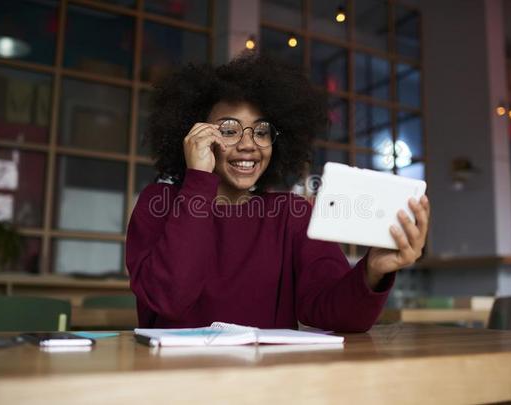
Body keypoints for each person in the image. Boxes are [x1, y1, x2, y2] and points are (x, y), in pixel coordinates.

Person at [126, 54, 431, 332]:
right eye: (229, 130)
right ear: (195, 137)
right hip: (175, 382)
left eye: (261, 131)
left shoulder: (291, 215)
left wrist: (372, 271)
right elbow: (170, 298)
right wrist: (198, 181)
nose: (249, 144)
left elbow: (335, 314)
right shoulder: (159, 203)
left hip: (270, 383)